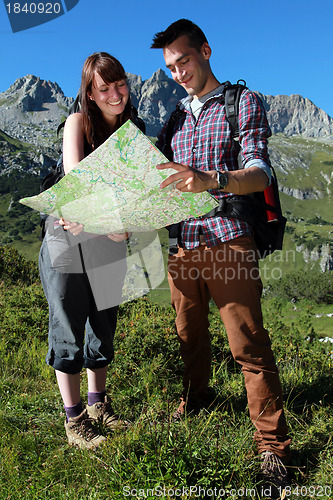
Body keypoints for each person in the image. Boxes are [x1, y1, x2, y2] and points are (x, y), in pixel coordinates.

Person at [151, 19, 291, 489]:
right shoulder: (173, 116)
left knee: (247, 343)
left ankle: (272, 447)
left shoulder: (240, 103)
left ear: (206, 51)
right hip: (183, 245)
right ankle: (198, 400)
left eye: (184, 61)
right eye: (170, 67)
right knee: (189, 336)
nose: (178, 73)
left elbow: (261, 173)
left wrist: (213, 180)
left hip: (228, 239)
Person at [39, 52, 145, 449]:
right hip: (66, 238)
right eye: (105, 88)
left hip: (107, 237)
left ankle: (99, 405)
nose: (116, 94)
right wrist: (111, 226)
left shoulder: (134, 130)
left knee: (103, 322)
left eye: (120, 84)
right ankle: (75, 421)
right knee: (67, 324)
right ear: (90, 92)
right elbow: (77, 180)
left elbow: (138, 193)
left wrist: (126, 225)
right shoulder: (77, 123)